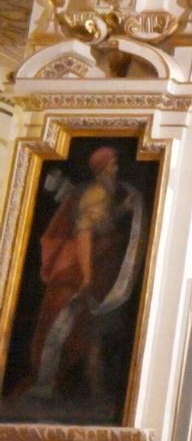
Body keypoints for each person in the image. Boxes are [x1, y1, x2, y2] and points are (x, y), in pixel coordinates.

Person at [9, 145, 146, 418]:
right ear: (104, 168)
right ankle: (44, 383)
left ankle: (85, 390)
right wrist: (86, 277)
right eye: (113, 164)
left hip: (87, 273)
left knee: (87, 332)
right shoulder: (96, 193)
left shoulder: (104, 194)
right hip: (74, 273)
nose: (116, 169)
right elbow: (84, 235)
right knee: (59, 327)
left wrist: (122, 209)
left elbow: (101, 225)